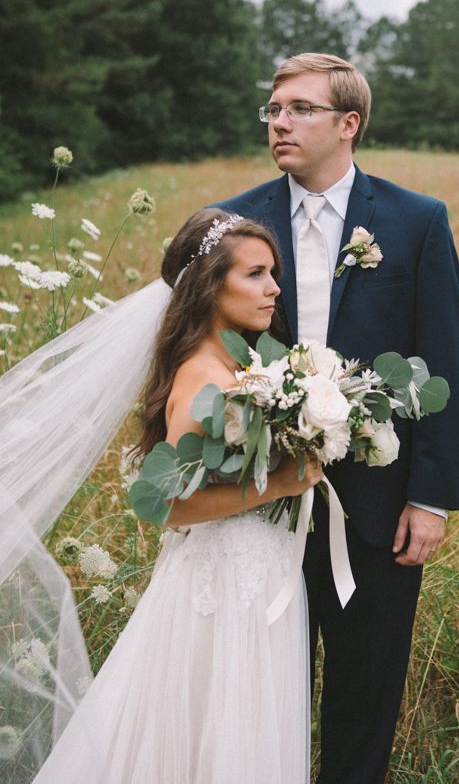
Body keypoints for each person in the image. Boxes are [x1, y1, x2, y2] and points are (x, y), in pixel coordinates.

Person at [214, 53, 459, 783]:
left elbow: (441, 361)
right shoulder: (236, 221)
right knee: (264, 684)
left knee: (367, 684)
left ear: (348, 124)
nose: (279, 122)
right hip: (258, 493)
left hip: (378, 501)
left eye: (299, 109)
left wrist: (430, 497)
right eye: (273, 110)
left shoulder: (417, 222)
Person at [0, 209, 321, 783]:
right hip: (221, 584)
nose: (274, 287)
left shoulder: (239, 361)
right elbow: (171, 507)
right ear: (210, 285)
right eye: (255, 274)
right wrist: (283, 481)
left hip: (257, 572)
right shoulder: (204, 375)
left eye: (272, 272)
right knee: (211, 725)